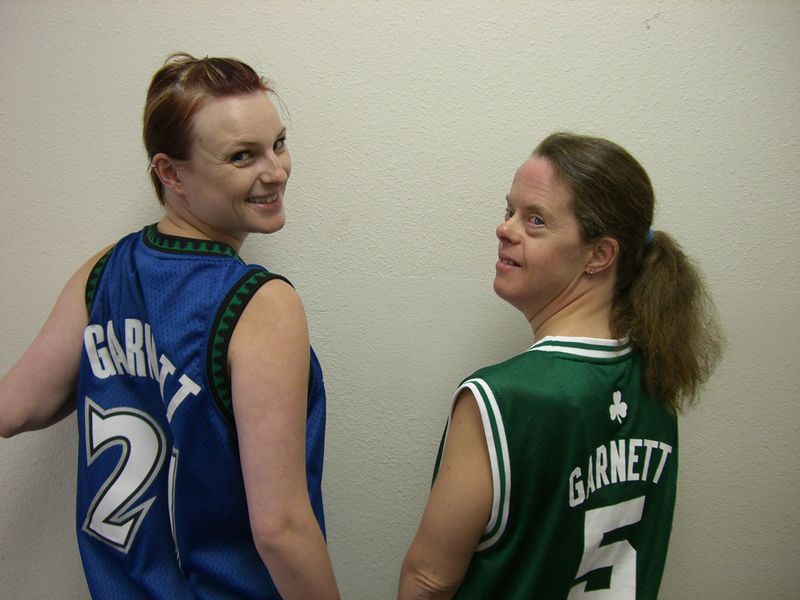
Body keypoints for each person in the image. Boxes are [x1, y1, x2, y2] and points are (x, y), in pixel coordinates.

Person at [0, 53, 339, 599]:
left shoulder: (106, 271)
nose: (275, 171)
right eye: (242, 156)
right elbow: (280, 529)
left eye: (277, 143)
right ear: (170, 172)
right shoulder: (260, 304)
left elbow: (15, 407)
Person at [398, 132, 724, 599]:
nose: (505, 229)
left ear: (599, 255)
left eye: (535, 220)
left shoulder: (500, 399)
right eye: (509, 210)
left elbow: (429, 580)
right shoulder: (657, 379)